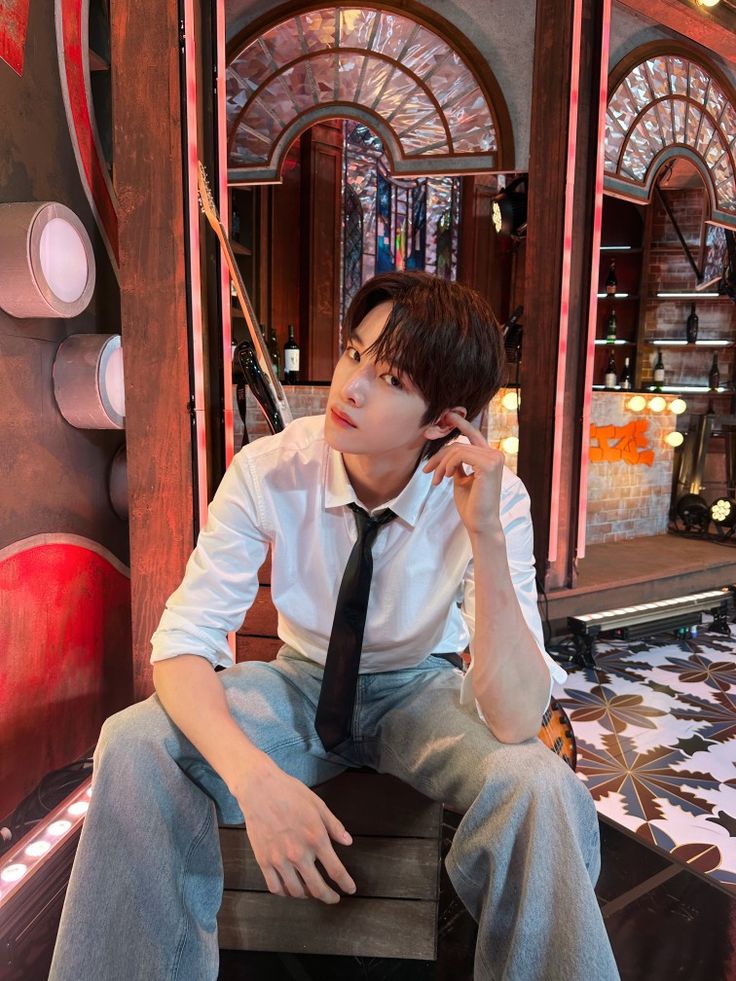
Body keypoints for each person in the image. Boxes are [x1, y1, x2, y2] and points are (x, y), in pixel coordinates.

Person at [49, 272, 620, 980]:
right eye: (355, 354)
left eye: (389, 379)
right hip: (297, 681)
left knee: (539, 786)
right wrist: (254, 779)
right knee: (131, 740)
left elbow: (514, 717)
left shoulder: (493, 500)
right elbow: (183, 645)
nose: (350, 388)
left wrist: (485, 536)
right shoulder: (270, 468)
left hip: (421, 690)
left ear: (445, 419)